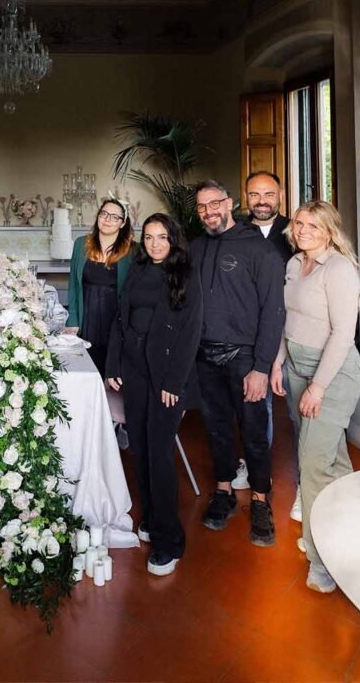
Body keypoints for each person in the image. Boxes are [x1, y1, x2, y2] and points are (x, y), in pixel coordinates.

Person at [270, 201, 360, 594]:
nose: (304, 230)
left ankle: (320, 558)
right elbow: (286, 322)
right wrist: (278, 363)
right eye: (299, 223)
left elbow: (343, 334)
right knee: (331, 458)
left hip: (333, 375)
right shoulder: (294, 265)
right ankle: (355, 529)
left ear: (329, 231)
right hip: (296, 366)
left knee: (310, 464)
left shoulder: (340, 269)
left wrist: (319, 386)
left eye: (314, 225)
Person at [106, 214, 203, 576]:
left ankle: (169, 540)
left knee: (160, 455)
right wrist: (113, 365)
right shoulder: (137, 270)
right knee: (141, 451)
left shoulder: (184, 275)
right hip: (134, 372)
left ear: (173, 239)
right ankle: (151, 517)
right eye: (149, 237)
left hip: (165, 378)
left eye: (162, 237)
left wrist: (173, 384)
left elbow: (191, 333)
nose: (156, 243)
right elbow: (121, 320)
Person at [191, 179, 285, 547]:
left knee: (254, 433)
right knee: (215, 428)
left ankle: (260, 501)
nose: (208, 211)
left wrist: (262, 366)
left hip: (245, 358)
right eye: (201, 206)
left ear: (229, 203)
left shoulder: (258, 249)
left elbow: (273, 312)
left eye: (214, 203)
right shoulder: (196, 248)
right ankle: (224, 490)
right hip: (205, 355)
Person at [231, 171, 299, 520]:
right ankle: (259, 469)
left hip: (294, 331)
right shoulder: (235, 232)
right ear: (246, 197)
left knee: (299, 410)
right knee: (259, 405)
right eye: (254, 194)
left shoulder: (296, 232)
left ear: (281, 195)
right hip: (251, 336)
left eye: (268, 194)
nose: (261, 201)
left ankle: (307, 482)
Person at [67, 198, 134, 378]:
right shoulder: (81, 244)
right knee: (86, 373)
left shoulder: (132, 250)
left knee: (112, 375)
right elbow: (73, 284)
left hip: (115, 321)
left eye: (114, 217)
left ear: (123, 222)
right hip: (87, 319)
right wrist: (72, 320)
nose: (107, 219)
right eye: (104, 214)